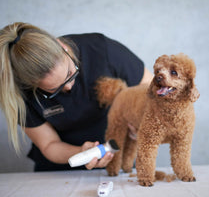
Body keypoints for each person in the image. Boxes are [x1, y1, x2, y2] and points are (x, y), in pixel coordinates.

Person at [0, 22, 153, 171]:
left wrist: (140, 121)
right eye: (54, 89)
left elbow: (149, 88)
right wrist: (82, 152)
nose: (68, 86)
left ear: (63, 47)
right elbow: (49, 144)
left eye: (70, 74)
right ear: (32, 85)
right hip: (59, 169)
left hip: (119, 155)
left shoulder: (101, 50)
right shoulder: (19, 93)